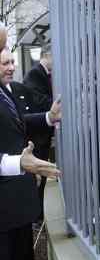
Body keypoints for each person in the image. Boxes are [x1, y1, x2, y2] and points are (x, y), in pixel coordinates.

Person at [0, 23, 61, 260]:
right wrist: (17, 163)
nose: (9, 63)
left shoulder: (5, 89)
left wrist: (48, 117)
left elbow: (14, 122)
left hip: (15, 204)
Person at [24, 44, 54, 221]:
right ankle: (36, 215)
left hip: (42, 132)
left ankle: (38, 213)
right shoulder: (35, 73)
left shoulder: (42, 73)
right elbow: (39, 100)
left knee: (41, 175)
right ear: (47, 55)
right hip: (37, 134)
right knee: (37, 175)